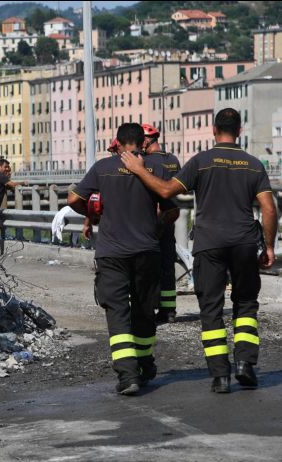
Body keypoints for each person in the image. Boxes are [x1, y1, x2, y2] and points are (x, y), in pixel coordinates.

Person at [120, 108, 278, 393]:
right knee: (246, 304)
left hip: (209, 245)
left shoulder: (201, 162)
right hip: (243, 243)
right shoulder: (254, 165)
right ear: (239, 131)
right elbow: (269, 208)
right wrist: (268, 246)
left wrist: (140, 170)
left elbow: (167, 191)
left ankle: (220, 377)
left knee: (211, 309)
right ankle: (245, 365)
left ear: (213, 130)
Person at [68, 124, 179, 396]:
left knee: (117, 312)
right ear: (143, 142)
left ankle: (128, 376)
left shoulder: (102, 168)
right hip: (146, 251)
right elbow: (172, 210)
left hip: (112, 253)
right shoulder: (156, 168)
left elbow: (73, 199)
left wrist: (94, 216)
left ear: (117, 142)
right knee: (144, 310)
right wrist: (156, 227)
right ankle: (144, 363)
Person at [141, 124, 182, 323]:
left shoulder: (145, 162)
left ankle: (150, 307)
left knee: (149, 266)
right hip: (170, 217)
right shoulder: (172, 160)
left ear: (148, 140)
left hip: (150, 219)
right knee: (168, 265)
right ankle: (169, 310)